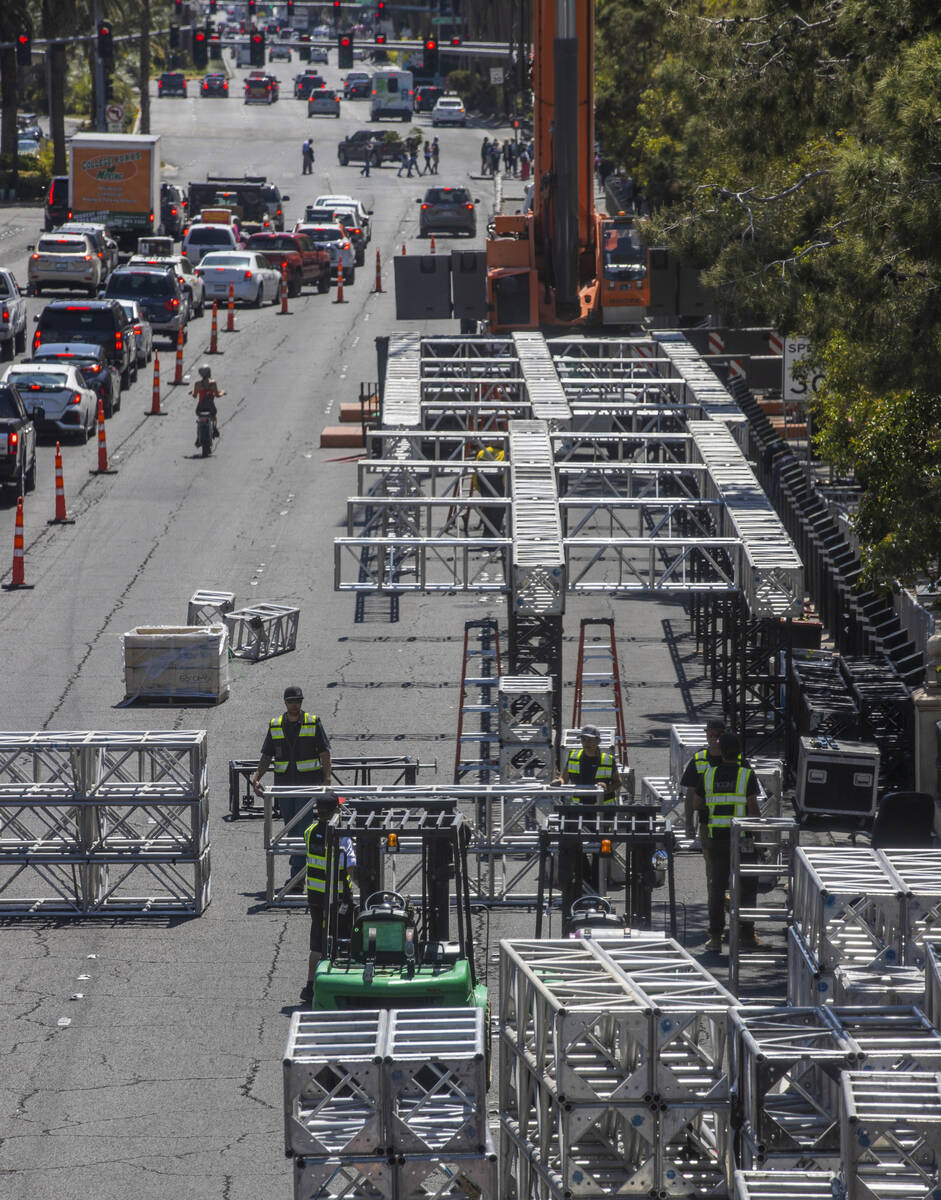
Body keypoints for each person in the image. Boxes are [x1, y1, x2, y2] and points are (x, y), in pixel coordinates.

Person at [251, 686, 332, 890]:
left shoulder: (313, 723)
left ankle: (297, 877)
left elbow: (324, 753)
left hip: (307, 788)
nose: (295, 705)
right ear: (285, 703)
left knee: (301, 831)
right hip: (284, 788)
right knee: (290, 828)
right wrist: (257, 776)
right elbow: (267, 755)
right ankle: (301, 874)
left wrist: (327, 779)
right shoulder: (276, 725)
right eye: (291, 701)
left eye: (298, 701)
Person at [692, 731, 761, 953]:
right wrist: (758, 838)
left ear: (720, 752)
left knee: (717, 889)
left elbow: (697, 804)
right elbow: (753, 809)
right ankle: (747, 936)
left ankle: (714, 938)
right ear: (739, 752)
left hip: (717, 840)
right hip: (742, 841)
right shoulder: (746, 775)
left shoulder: (709, 775)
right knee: (748, 888)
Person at [299, 791, 356, 1004]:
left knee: (317, 943)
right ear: (336, 811)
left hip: (315, 898)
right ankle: (342, 984)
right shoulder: (342, 836)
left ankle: (310, 987)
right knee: (344, 940)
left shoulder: (309, 831)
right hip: (339, 898)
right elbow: (350, 867)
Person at [682, 718, 728, 838]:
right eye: (710, 734)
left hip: (733, 822)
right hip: (707, 822)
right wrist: (688, 824)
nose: (714, 738)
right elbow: (690, 795)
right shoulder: (699, 760)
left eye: (718, 734)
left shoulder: (736, 759)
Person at [554, 724, 620, 802]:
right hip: (579, 807)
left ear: (598, 741)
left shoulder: (608, 760)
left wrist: (607, 788)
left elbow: (618, 782)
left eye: (590, 740)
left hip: (603, 808)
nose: (586, 743)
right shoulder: (573, 757)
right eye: (583, 739)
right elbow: (564, 778)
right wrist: (559, 782)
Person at [192, 364, 223, 445]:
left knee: (199, 421)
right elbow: (217, 395)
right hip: (210, 408)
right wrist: (222, 392)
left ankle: (198, 437)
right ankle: (215, 428)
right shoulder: (213, 383)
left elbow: (194, 395)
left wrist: (193, 392)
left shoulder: (197, 384)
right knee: (214, 416)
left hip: (200, 408)